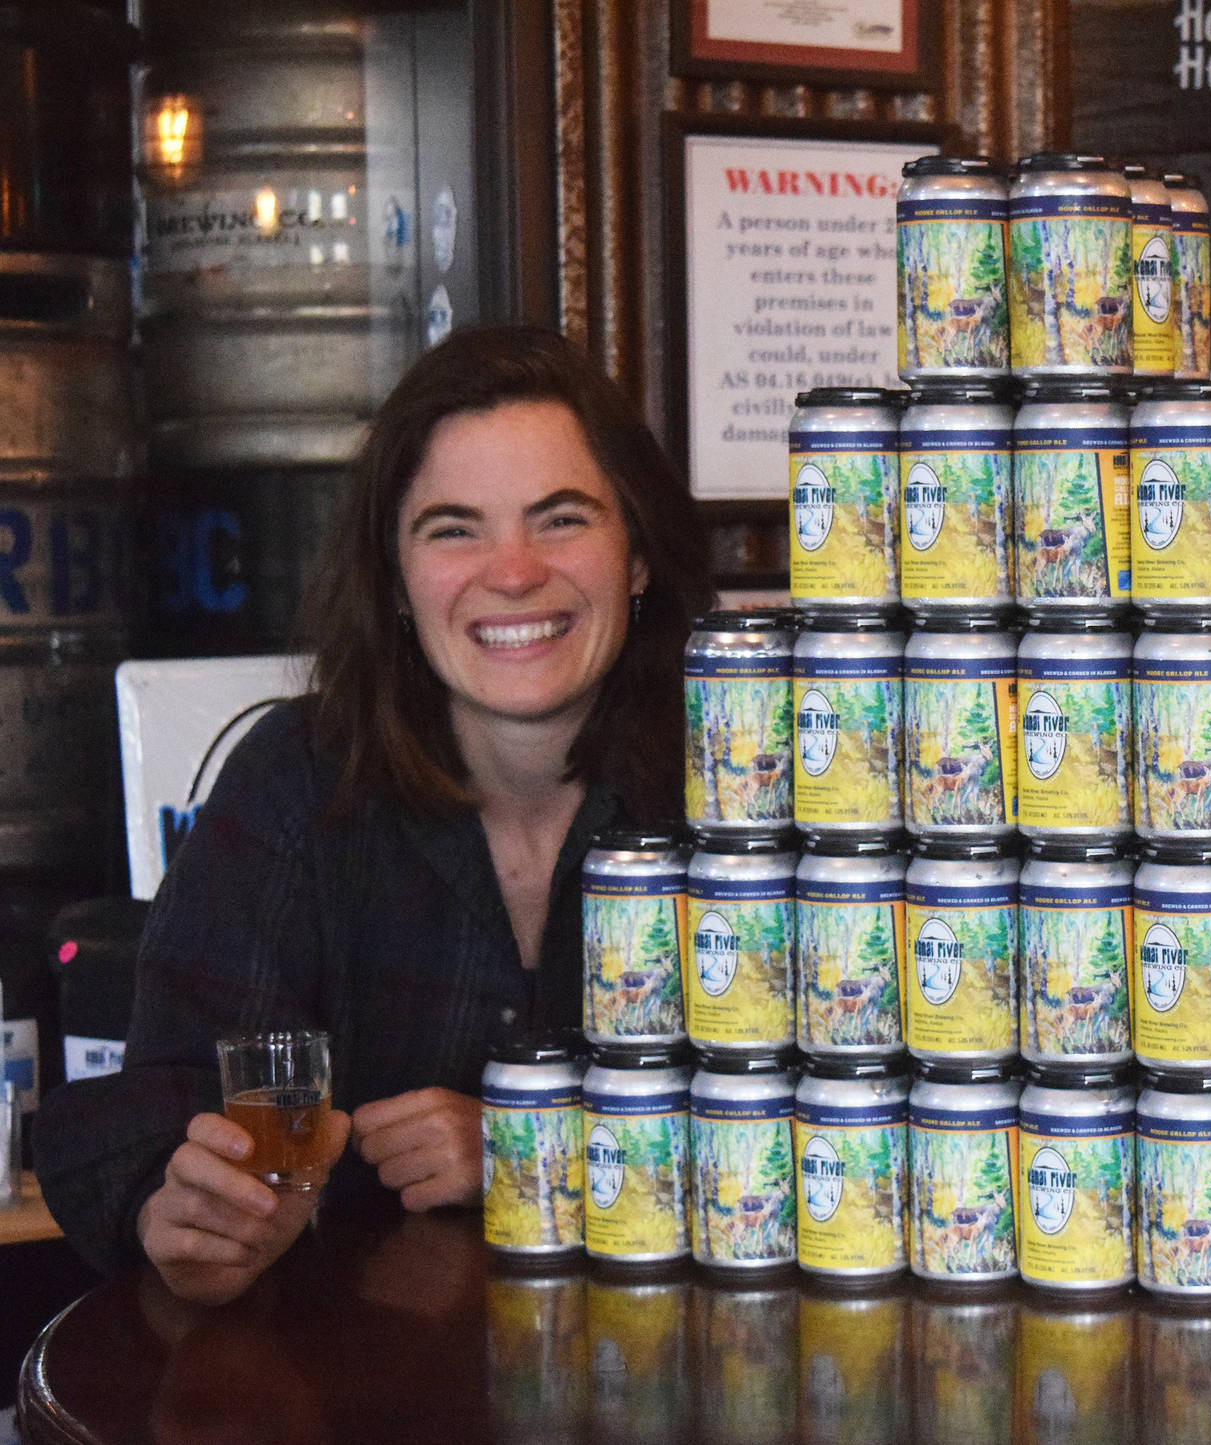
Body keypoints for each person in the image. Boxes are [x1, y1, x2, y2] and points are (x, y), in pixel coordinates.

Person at [36, 326, 717, 1303]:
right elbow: (158, 1103)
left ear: (639, 553)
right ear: (395, 577)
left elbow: (864, 1117)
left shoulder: (745, 784)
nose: (512, 570)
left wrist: (535, 1149)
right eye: (453, 528)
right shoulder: (301, 779)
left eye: (560, 517)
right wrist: (171, 1202)